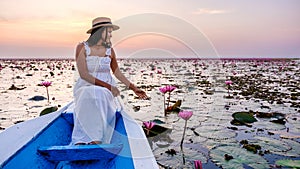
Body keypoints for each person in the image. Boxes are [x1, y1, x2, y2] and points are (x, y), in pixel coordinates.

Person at [71, 17, 148, 145]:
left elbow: (117, 72)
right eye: (109, 31)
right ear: (100, 31)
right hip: (86, 85)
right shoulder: (82, 47)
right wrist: (108, 86)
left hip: (105, 91)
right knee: (88, 93)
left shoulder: (110, 51)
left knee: (99, 93)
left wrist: (134, 88)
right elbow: (84, 74)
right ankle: (82, 138)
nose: (111, 35)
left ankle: (96, 139)